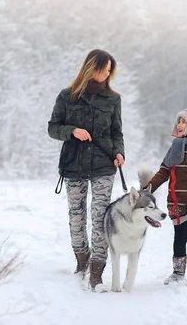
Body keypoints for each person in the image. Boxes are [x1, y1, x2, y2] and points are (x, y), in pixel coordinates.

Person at [48, 49, 125, 291]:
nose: (106, 73)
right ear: (91, 67)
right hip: (74, 164)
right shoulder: (67, 96)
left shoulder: (113, 100)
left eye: (110, 70)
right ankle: (82, 258)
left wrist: (120, 152)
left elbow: (116, 133)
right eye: (104, 69)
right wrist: (72, 130)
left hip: (104, 164)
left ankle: (97, 271)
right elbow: (53, 128)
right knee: (76, 215)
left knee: (101, 217)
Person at [146, 108, 187, 288]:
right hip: (176, 203)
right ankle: (178, 272)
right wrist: (148, 188)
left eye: (184, 122)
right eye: (179, 121)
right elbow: (163, 172)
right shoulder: (175, 148)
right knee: (178, 236)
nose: (180, 125)